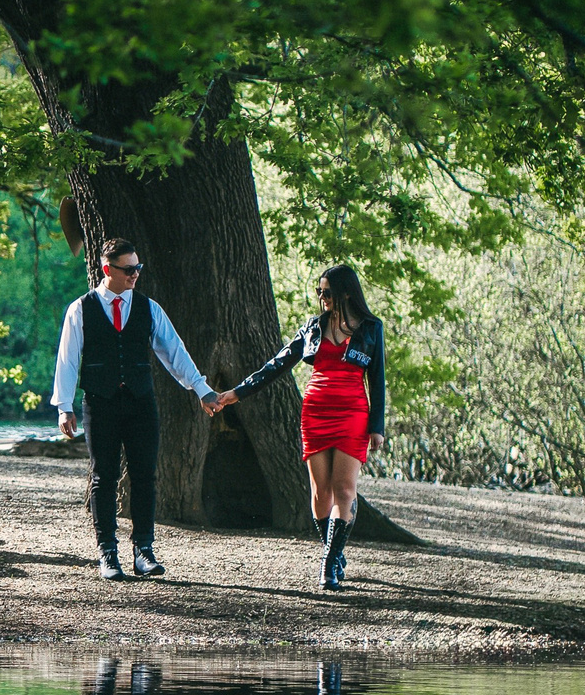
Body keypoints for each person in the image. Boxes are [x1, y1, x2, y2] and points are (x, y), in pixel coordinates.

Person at [51, 238, 229, 581]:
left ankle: (143, 551)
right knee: (104, 476)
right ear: (108, 270)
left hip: (140, 403)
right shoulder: (81, 308)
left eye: (138, 268)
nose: (135, 275)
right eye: (128, 269)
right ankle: (108, 553)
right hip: (100, 403)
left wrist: (203, 390)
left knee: (145, 475)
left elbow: (174, 352)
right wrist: (64, 405)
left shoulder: (149, 308)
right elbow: (68, 358)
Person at [211, 264, 387, 590]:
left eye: (328, 292)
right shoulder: (312, 328)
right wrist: (237, 393)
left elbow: (378, 382)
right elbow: (277, 363)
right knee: (321, 491)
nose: (322, 298)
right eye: (319, 292)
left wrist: (377, 426)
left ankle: (330, 563)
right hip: (316, 412)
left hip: (352, 414)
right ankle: (333, 550)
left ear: (346, 292)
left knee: (344, 489)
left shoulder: (371, 328)